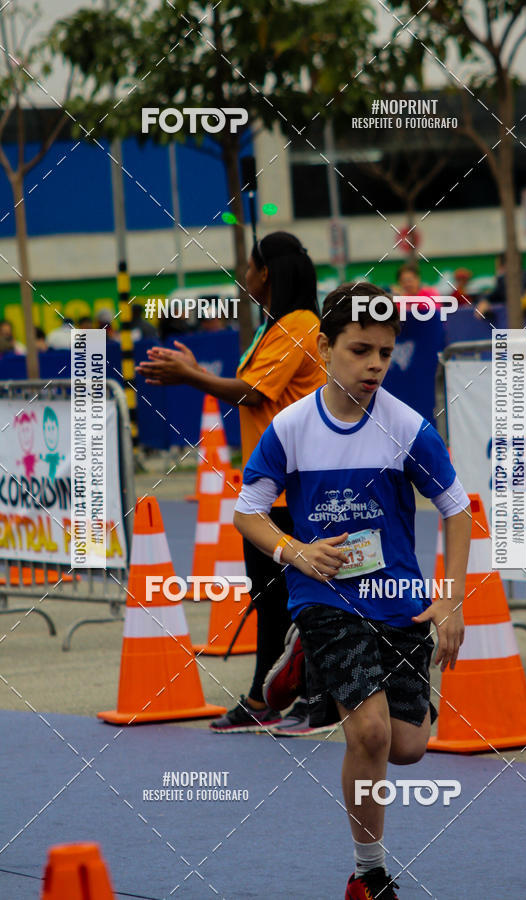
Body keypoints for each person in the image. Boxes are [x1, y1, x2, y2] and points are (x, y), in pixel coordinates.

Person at [233, 281, 471, 899]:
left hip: (398, 600)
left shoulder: (407, 427)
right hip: (325, 596)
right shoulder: (289, 428)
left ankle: (306, 666)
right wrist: (295, 551)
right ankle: (369, 875)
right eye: (360, 349)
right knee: (367, 733)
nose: (374, 365)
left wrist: (449, 597)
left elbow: (457, 509)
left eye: (386, 353)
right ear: (324, 347)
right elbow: (248, 513)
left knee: (408, 747)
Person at [136, 231, 331, 735]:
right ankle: (266, 697)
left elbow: (249, 393)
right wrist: (197, 371)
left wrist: (189, 377)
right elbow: (258, 391)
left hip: (296, 486)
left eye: (248, 266)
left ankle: (316, 697)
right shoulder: (277, 327)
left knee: (299, 599)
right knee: (269, 599)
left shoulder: (299, 325)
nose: (244, 275)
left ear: (266, 272)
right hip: (270, 485)